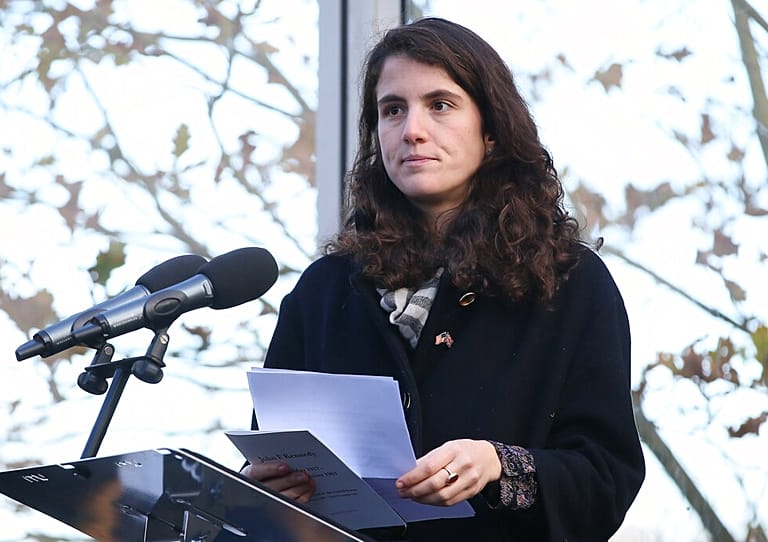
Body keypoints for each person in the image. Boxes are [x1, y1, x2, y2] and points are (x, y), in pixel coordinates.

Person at [242, 16, 645, 541]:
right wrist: (264, 489)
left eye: (441, 105)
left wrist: (498, 465)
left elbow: (605, 482)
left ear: (492, 130)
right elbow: (270, 467)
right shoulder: (323, 291)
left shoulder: (569, 282)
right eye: (392, 110)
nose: (412, 129)